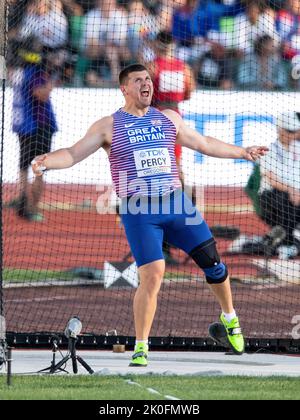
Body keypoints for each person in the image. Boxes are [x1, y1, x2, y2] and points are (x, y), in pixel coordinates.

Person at [31, 63, 268, 366]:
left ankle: (230, 318)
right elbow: (74, 154)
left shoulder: (168, 118)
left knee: (214, 264)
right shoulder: (108, 125)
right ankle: (141, 346)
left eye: (148, 80)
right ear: (124, 88)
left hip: (176, 204)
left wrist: (242, 151)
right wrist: (47, 161)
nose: (146, 84)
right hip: (139, 210)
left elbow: (204, 143)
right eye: (138, 80)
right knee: (153, 275)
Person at [148, 30, 196, 265]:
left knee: (160, 172)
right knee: (176, 170)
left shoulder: (152, 66)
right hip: (175, 116)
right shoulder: (183, 67)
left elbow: (142, 94)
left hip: (157, 116)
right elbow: (189, 92)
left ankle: (163, 237)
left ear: (158, 46)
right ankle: (183, 227)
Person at [13, 41, 58, 221]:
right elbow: (41, 94)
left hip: (22, 125)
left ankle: (23, 202)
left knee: (23, 166)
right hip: (38, 126)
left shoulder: (18, 71)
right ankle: (31, 208)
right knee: (39, 169)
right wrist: (53, 80)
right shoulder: (37, 72)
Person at [259, 111, 300, 259]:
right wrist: (292, 190)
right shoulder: (269, 150)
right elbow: (271, 178)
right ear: (279, 129)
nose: (293, 134)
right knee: (288, 200)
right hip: (271, 197)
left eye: (295, 131)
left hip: (296, 195)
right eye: (289, 131)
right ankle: (286, 245)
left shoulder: (298, 148)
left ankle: (282, 241)